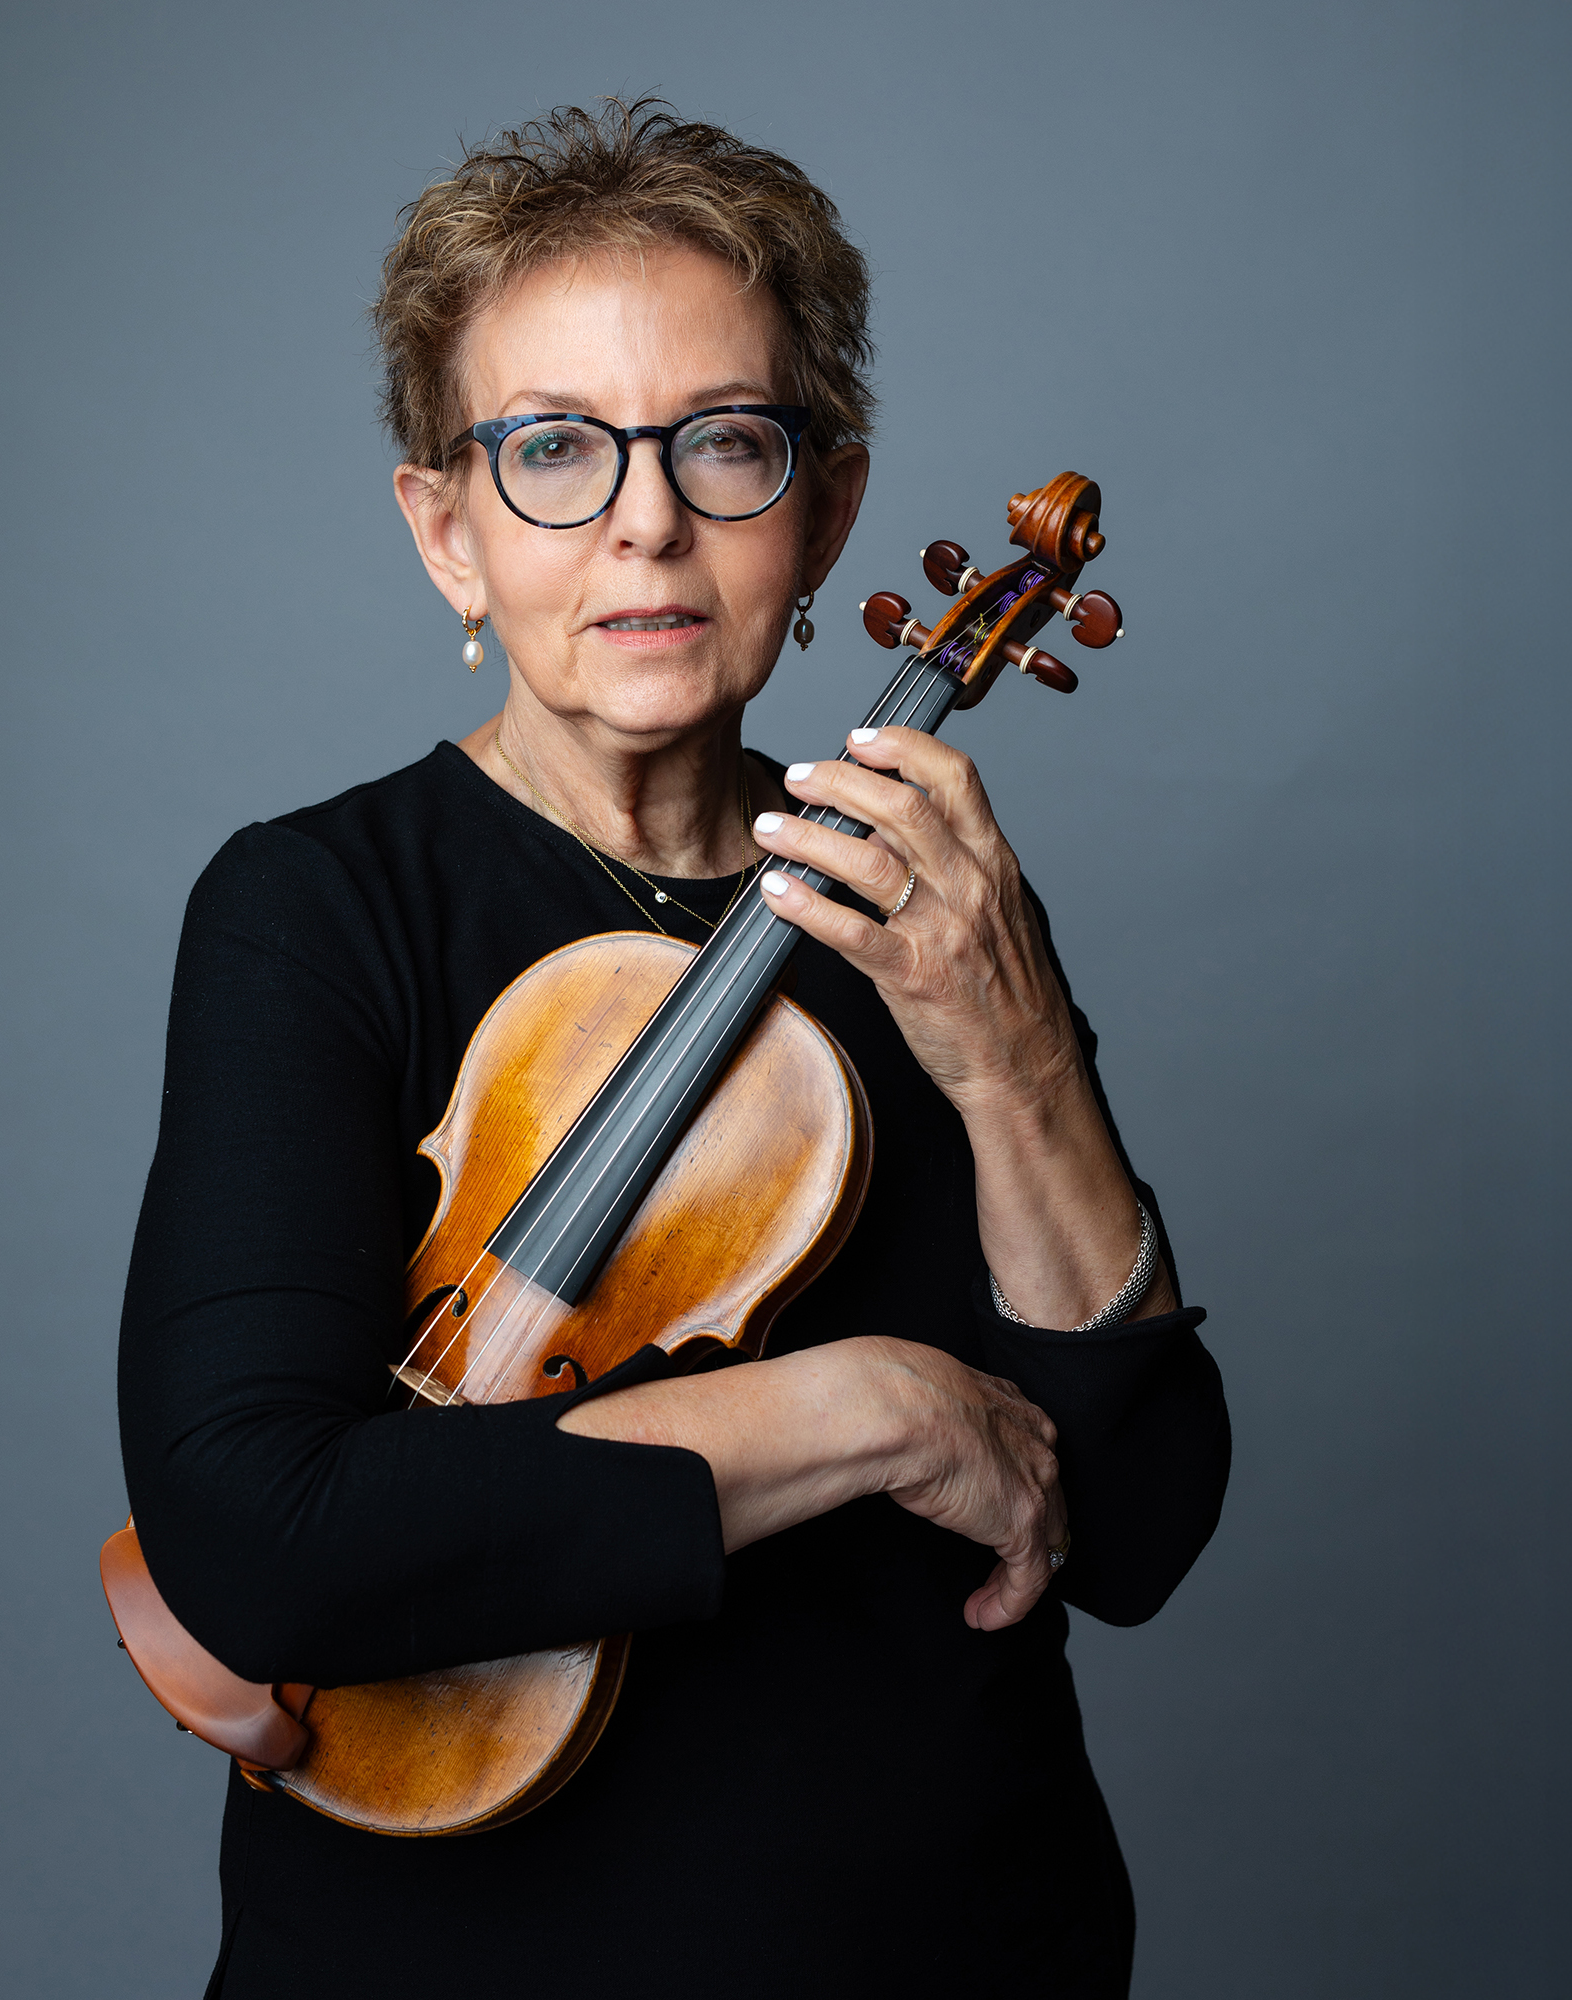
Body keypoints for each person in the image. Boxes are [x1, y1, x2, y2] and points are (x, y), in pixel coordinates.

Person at [118, 99, 1229, 2000]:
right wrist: (862, 1404)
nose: (645, 517)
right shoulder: (316, 910)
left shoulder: (932, 905)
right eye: (553, 450)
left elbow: (1129, 1527)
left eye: (724, 442)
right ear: (445, 529)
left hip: (968, 1943)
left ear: (828, 507)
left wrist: (1011, 1054)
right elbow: (264, 1543)